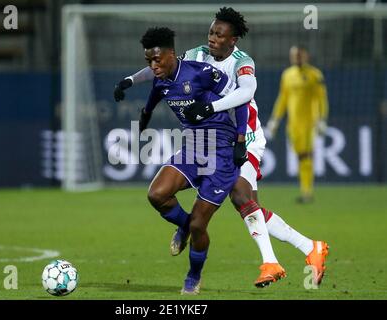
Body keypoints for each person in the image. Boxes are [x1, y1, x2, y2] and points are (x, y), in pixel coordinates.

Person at [115, 8, 329, 287]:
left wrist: (211, 109)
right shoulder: (196, 55)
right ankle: (308, 248)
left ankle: (273, 262)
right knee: (245, 202)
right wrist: (131, 80)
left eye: (220, 34)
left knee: (241, 196)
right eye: (211, 32)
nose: (213, 38)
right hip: (208, 138)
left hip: (246, 136)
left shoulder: (242, 62)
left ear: (233, 40)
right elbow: (161, 67)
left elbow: (246, 92)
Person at [138, 26, 248, 295]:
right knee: (157, 194)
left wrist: (241, 140)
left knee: (201, 224)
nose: (153, 66)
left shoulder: (200, 73)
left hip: (221, 152)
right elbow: (152, 100)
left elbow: (241, 99)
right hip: (194, 147)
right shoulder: (160, 80)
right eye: (148, 61)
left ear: (171, 54)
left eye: (157, 59)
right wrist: (144, 117)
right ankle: (184, 227)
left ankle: (193, 275)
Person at [266, 45, 329, 204]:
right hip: (293, 124)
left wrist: (322, 119)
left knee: (306, 156)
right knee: (301, 156)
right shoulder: (287, 75)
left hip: (309, 123)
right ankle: (305, 190)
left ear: (306, 56)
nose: (296, 58)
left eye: (299, 55)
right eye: (294, 55)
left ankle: (307, 192)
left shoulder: (315, 75)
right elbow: (283, 99)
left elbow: (321, 99)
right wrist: (275, 120)